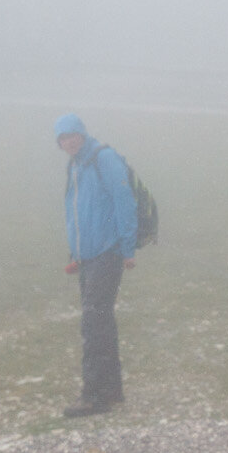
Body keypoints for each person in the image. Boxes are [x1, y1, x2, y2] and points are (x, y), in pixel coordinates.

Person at [54, 113, 137, 417]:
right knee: (101, 322)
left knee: (93, 323)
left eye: (72, 135)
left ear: (82, 133)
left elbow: (124, 199)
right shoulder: (75, 164)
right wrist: (75, 252)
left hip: (108, 253)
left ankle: (93, 396)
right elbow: (76, 212)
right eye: (63, 138)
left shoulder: (103, 158)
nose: (69, 141)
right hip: (87, 257)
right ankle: (112, 391)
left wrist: (127, 248)